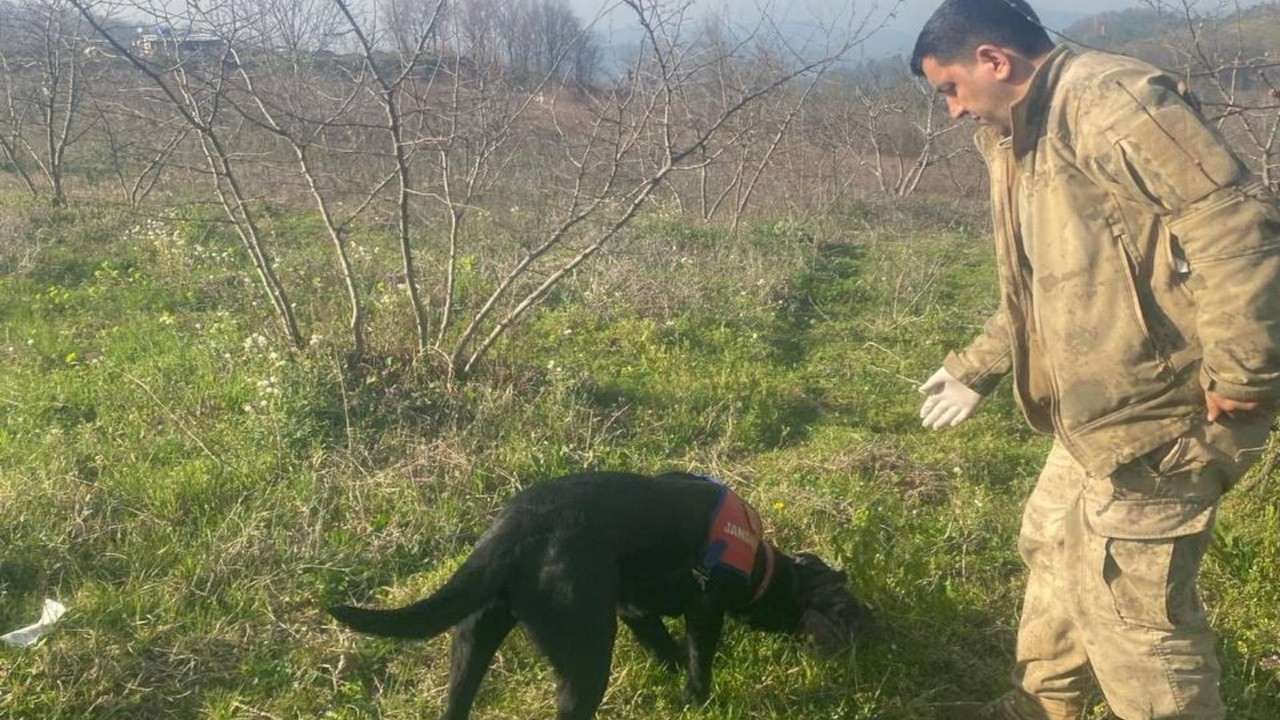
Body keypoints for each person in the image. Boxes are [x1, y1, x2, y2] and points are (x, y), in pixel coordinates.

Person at [909, 1, 1280, 718]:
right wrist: (977, 366)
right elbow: (1046, 286)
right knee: (1051, 543)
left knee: (1133, 614)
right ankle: (1045, 704)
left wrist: (1246, 372)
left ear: (994, 60)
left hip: (1166, 414)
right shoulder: (1023, 135)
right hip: (1097, 409)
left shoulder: (1108, 102)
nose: (951, 111)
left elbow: (1233, 221)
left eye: (949, 88)